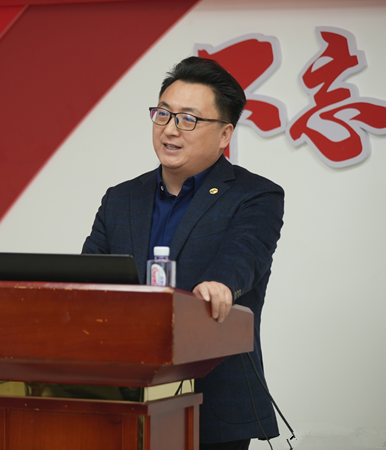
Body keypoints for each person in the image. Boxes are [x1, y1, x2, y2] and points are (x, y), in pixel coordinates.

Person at [82, 56, 284, 449]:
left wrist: (221, 284)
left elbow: (245, 253)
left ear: (224, 135)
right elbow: (90, 277)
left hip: (212, 403)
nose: (170, 129)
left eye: (188, 119)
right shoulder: (121, 199)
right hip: (120, 398)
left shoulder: (255, 195)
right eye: (163, 114)